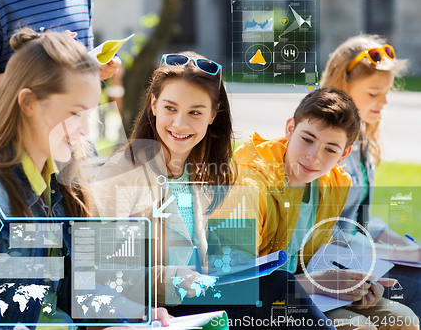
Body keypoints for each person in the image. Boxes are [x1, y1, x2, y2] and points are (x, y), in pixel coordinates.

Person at [0, 28, 167, 330]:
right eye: (76, 113)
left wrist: (139, 314)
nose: (86, 131)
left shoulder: (58, 181)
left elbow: (75, 290)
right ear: (28, 103)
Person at [91, 52, 337, 330]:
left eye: (195, 112)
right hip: (150, 312)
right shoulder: (123, 172)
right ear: (154, 105)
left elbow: (201, 256)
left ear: (212, 115)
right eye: (170, 108)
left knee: (278, 294)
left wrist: (225, 267)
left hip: (194, 300)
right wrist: (176, 278)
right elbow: (102, 273)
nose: (180, 124)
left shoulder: (201, 169)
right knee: (279, 288)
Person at [231, 87, 418, 330]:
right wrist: (317, 284)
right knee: (358, 327)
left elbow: (313, 257)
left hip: (305, 290)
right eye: (307, 140)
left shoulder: (333, 184)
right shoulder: (248, 185)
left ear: (344, 154)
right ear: (290, 129)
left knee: (403, 319)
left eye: (330, 149)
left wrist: (354, 286)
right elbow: (236, 281)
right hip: (262, 302)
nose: (314, 157)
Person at [321, 35, 421, 319]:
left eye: (387, 92)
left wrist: (410, 248)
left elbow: (360, 219)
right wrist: (397, 253)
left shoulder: (362, 141)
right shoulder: (325, 149)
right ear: (342, 89)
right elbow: (329, 232)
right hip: (333, 269)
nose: (384, 101)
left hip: (361, 258)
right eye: (374, 93)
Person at [0, 0, 121, 113]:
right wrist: (45, 63)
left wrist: (95, 70)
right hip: (21, 152)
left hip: (78, 146)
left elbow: (73, 76)